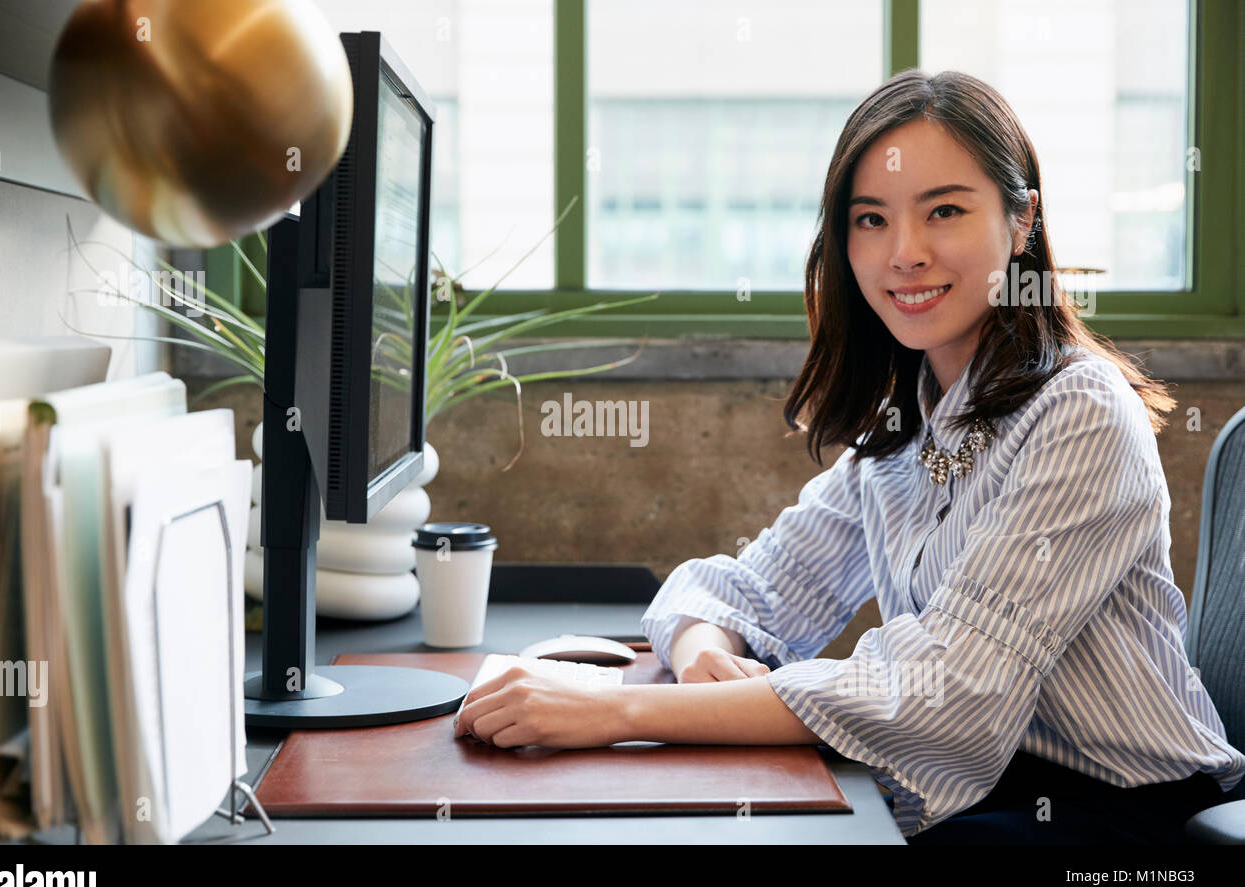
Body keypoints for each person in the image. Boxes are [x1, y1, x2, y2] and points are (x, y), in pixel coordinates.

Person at [452, 69, 1245, 843]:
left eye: (944, 211)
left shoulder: (1080, 413)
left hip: (1129, 821)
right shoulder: (911, 423)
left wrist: (611, 712)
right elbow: (744, 586)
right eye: (871, 219)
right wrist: (703, 653)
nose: (904, 252)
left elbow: (942, 696)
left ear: (1022, 221)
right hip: (990, 790)